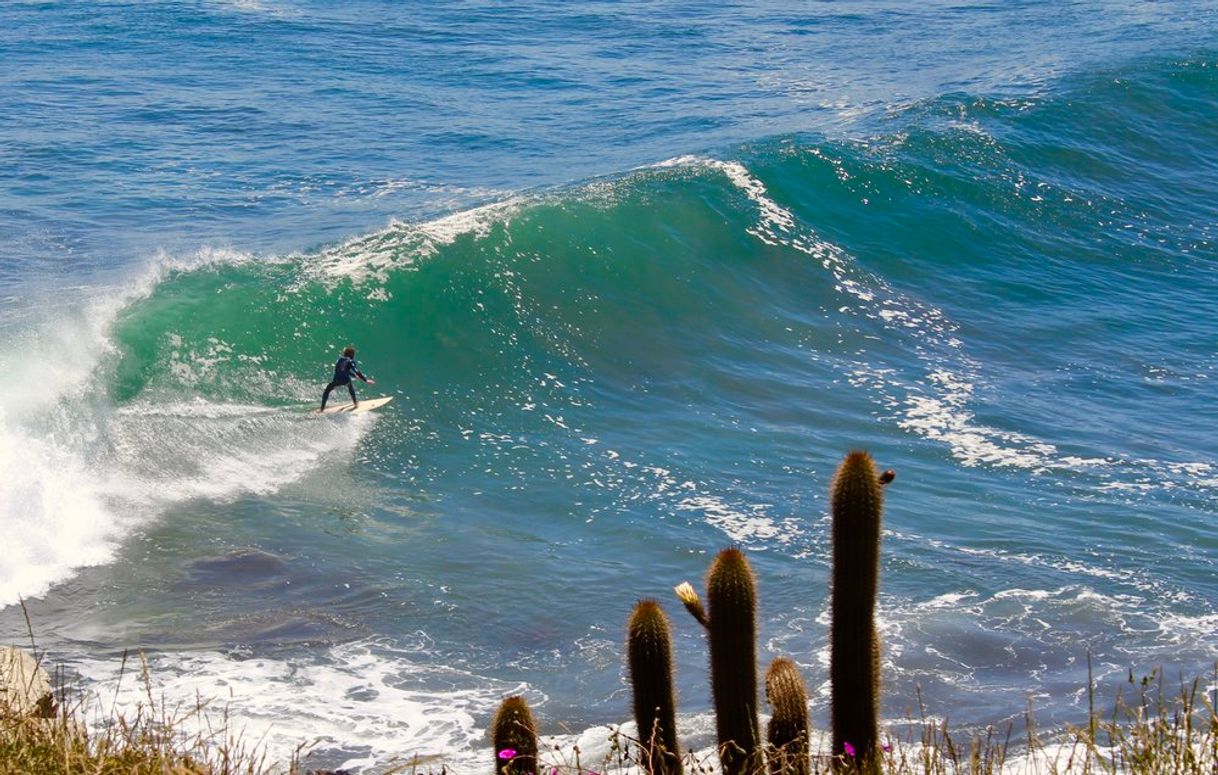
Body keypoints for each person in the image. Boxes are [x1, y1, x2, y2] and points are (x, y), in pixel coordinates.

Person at [319, 346, 375, 411]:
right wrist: (365, 380)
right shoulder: (351, 361)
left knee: (327, 390)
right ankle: (355, 404)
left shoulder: (339, 360)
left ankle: (322, 409)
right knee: (350, 386)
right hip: (345, 381)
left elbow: (342, 370)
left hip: (336, 380)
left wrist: (354, 375)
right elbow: (356, 371)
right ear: (352, 354)